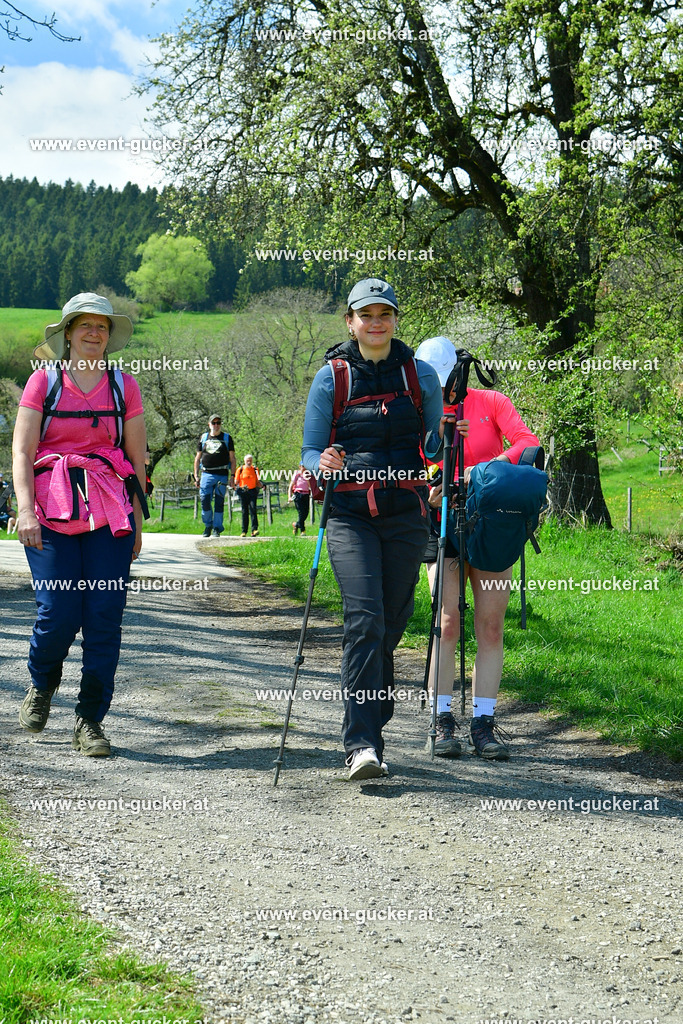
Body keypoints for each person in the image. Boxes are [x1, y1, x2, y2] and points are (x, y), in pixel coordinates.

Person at [302, 278, 457, 781]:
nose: (375, 322)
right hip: (349, 516)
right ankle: (362, 743)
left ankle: (371, 715)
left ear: (395, 320)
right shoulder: (332, 378)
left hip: (405, 514)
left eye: (384, 314)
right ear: (350, 321)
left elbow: (433, 451)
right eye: (365, 314)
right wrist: (321, 461)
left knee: (390, 624)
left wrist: (444, 446)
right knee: (364, 619)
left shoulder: (421, 376)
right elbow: (309, 451)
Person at [12, 292, 147, 756]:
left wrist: (138, 521)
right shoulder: (42, 382)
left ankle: (89, 720)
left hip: (110, 509)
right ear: (67, 332)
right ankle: (42, 684)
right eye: (85, 325)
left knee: (104, 618)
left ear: (110, 337)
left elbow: (135, 459)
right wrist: (25, 509)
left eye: (102, 327)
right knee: (59, 613)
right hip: (50, 506)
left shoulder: (123, 387)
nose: (94, 333)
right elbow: (23, 453)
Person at [414, 336, 540, 761]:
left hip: (489, 525)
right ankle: (441, 718)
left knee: (490, 626)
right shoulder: (419, 408)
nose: (439, 388)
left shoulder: (491, 401)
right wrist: (432, 482)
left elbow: (527, 443)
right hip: (441, 525)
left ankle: (484, 724)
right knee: (446, 623)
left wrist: (483, 471)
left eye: (443, 378)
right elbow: (411, 460)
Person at [193, 414, 236, 537]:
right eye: (214, 423)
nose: (216, 425)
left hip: (222, 474)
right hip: (206, 473)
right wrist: (196, 476)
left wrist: (232, 476)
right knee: (205, 500)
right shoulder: (203, 438)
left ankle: (217, 527)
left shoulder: (227, 438)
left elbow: (232, 459)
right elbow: (197, 458)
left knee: (219, 502)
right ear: (209, 424)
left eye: (218, 423)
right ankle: (208, 525)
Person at [234, 454, 261, 537]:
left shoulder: (255, 469)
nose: (249, 462)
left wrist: (263, 486)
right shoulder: (240, 469)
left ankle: (254, 530)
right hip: (243, 491)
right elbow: (236, 481)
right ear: (244, 461)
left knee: (253, 509)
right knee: (244, 511)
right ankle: (244, 531)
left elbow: (258, 481)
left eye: (250, 460)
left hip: (252, 491)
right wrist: (235, 486)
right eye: (247, 460)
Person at [288, 463, 311, 535]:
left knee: (306, 512)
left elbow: (310, 486)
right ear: (299, 466)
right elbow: (291, 486)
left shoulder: (308, 475)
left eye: (305, 467)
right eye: (302, 466)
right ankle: (302, 530)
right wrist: (289, 497)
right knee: (301, 512)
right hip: (298, 494)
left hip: (306, 494)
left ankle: (296, 525)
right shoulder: (296, 474)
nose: (304, 468)